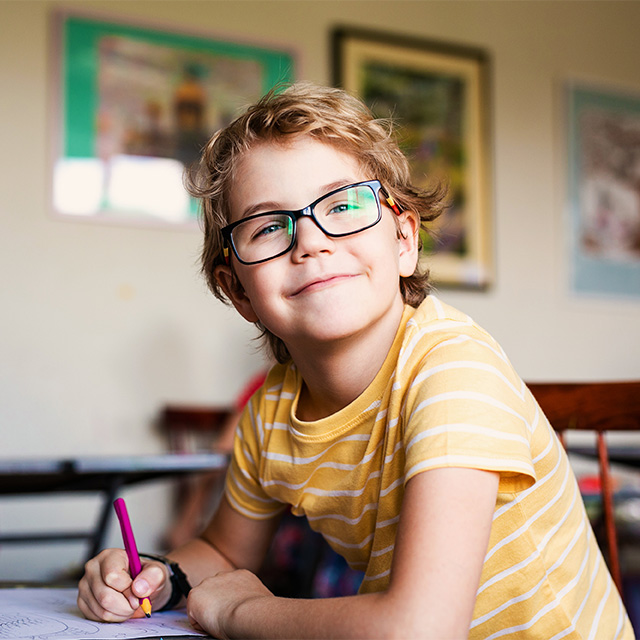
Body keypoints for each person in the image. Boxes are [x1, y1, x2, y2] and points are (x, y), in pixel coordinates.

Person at [78, 83, 634, 639]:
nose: (310, 241)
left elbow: (419, 630)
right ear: (239, 291)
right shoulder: (271, 411)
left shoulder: (454, 371)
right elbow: (224, 551)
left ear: (404, 240)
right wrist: (160, 575)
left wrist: (239, 611)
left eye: (343, 205)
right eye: (268, 226)